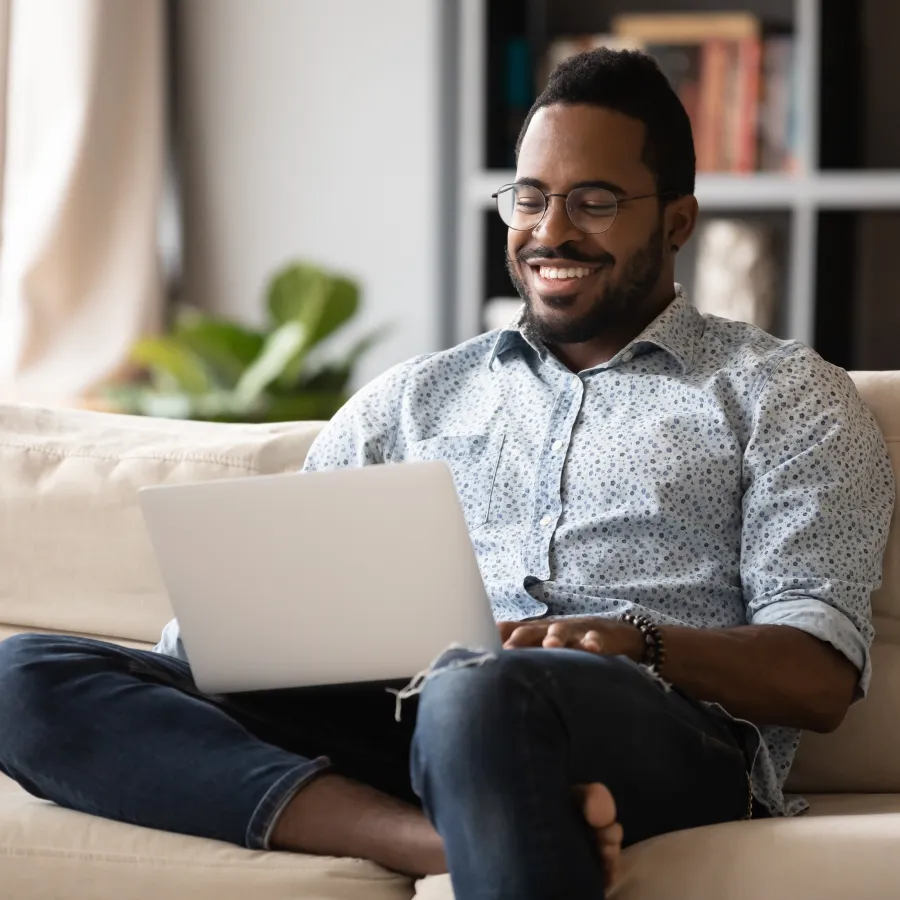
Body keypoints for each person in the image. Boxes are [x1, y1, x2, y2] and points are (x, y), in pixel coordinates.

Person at [0, 48, 894, 900]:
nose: (550, 231)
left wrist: (634, 639)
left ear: (676, 221)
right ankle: (434, 838)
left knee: (480, 687)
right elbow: (238, 624)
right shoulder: (411, 402)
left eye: (593, 201)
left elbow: (816, 678)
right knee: (26, 677)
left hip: (657, 730)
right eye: (531, 197)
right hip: (400, 722)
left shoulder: (784, 396)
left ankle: (490, 804)